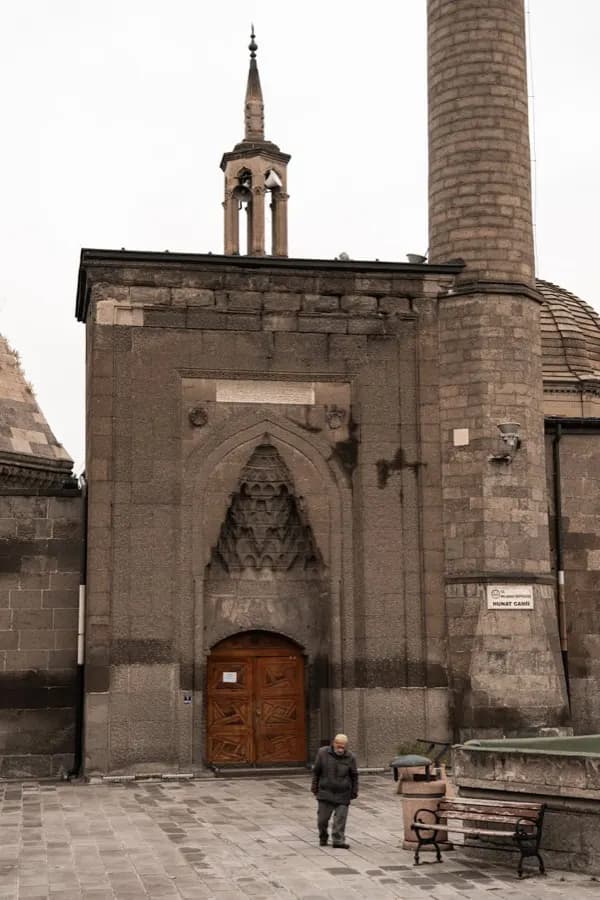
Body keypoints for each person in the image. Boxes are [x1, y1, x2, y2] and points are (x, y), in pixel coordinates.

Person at [311, 733, 358, 849]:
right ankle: (323, 836)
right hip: (325, 792)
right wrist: (314, 787)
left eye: (343, 746)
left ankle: (338, 841)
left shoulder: (351, 757)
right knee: (322, 821)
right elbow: (316, 771)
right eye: (339, 746)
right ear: (334, 743)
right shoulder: (322, 753)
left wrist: (354, 791)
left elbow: (354, 775)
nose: (341, 748)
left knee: (340, 820)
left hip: (343, 793)